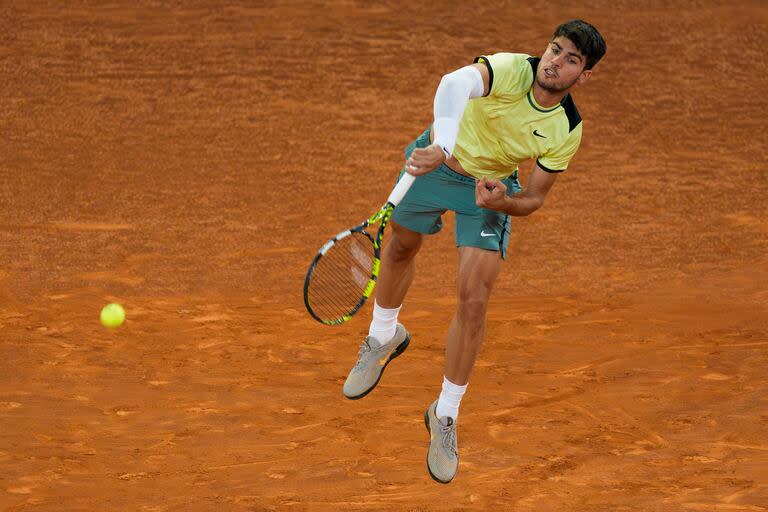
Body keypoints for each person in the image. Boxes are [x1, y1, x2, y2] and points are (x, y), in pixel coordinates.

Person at [343, 20, 607, 484]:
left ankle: (444, 414)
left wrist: (503, 201)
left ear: (583, 76)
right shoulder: (510, 69)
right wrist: (442, 145)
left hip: (491, 187)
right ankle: (384, 335)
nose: (555, 62)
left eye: (571, 60)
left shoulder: (566, 128)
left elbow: (535, 198)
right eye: (554, 49)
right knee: (401, 247)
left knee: (474, 299)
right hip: (437, 161)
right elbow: (453, 83)